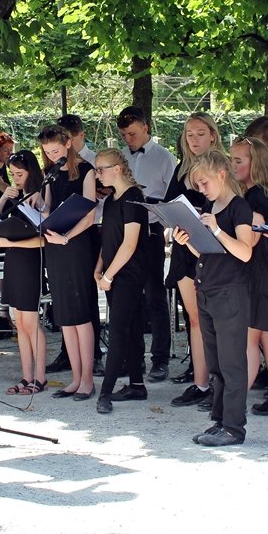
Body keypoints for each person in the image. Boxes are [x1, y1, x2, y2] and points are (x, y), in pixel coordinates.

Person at [172, 150, 255, 446]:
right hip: (207, 287)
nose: (201, 190)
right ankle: (220, 421)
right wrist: (188, 242)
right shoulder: (210, 204)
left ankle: (234, 426)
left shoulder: (239, 207)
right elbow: (209, 252)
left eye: (204, 183)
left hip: (230, 292)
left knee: (232, 363)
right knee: (216, 362)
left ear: (221, 174)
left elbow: (245, 252)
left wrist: (217, 228)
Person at [229, 136, 268, 418]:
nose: (232, 165)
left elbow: (251, 240)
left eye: (238, 161)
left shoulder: (255, 197)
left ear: (256, 164)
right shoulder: (263, 194)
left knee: (250, 339)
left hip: (259, 271)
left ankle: (235, 404)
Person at [165, 113, 223, 408]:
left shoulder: (222, 167)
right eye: (189, 134)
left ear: (213, 135)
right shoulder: (181, 169)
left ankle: (220, 383)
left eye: (200, 133)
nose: (194, 139)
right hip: (184, 247)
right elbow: (169, 206)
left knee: (216, 319)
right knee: (195, 317)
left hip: (213, 247)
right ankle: (200, 383)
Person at [38, 124, 98, 400]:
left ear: (68, 145)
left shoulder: (86, 171)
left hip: (77, 246)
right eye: (48, 152)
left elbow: (89, 213)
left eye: (56, 150)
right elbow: (47, 207)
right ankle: (75, 378)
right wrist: (39, 211)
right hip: (55, 247)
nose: (52, 156)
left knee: (81, 314)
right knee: (65, 316)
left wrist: (68, 237)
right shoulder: (49, 175)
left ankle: (87, 379)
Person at [117, 106, 176, 382]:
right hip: (126, 230)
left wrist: (154, 207)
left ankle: (160, 359)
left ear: (146, 128)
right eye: (124, 135)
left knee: (155, 296)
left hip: (151, 231)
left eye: (132, 134)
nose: (128, 139)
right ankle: (134, 359)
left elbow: (171, 199)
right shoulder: (121, 158)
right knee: (131, 297)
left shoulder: (165, 158)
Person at [93, 149, 150, 415]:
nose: (97, 174)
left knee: (117, 331)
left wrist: (108, 275)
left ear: (117, 168)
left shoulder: (134, 198)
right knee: (132, 327)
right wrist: (99, 268)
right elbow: (109, 239)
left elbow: (130, 244)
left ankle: (105, 392)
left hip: (129, 274)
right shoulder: (112, 200)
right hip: (113, 273)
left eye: (101, 169)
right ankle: (137, 384)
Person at [0, 150, 48, 396]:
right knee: (19, 323)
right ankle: (26, 376)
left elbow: (43, 239)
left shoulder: (40, 195)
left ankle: (40, 377)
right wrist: (5, 196)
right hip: (14, 260)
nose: (16, 179)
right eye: (12, 174)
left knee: (31, 322)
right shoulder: (15, 195)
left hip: (29, 260)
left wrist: (10, 244)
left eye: (20, 174)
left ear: (31, 172)